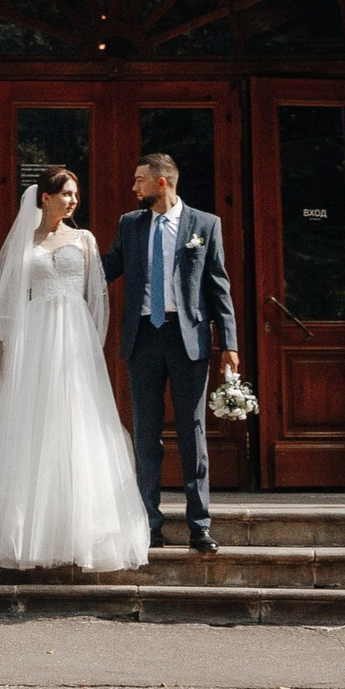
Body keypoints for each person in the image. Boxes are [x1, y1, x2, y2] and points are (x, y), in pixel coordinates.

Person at [0, 167, 152, 574]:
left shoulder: (85, 241)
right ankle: (26, 530)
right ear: (44, 197)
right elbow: (4, 306)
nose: (73, 201)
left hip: (75, 339)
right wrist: (18, 345)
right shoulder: (24, 242)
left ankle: (82, 530)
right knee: (34, 427)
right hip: (37, 339)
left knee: (79, 425)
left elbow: (97, 298)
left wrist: (88, 344)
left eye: (76, 194)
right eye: (65, 194)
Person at [102, 152, 244, 552]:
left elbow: (219, 286)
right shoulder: (129, 225)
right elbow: (110, 266)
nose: (134, 188)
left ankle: (199, 525)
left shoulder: (205, 224)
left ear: (161, 183)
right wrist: (64, 257)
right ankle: (149, 524)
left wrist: (229, 343)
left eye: (139, 181)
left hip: (189, 340)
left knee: (191, 432)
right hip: (143, 337)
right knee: (146, 435)